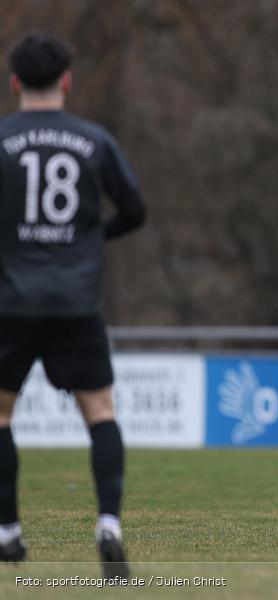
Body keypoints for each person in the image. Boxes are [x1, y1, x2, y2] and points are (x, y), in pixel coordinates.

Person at [0, 33, 145, 575]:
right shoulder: (94, 140)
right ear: (67, 80)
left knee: (0, 415)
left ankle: (9, 533)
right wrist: (90, 237)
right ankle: (109, 524)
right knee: (100, 413)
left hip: (12, 300)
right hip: (77, 300)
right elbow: (135, 211)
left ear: (15, 82)